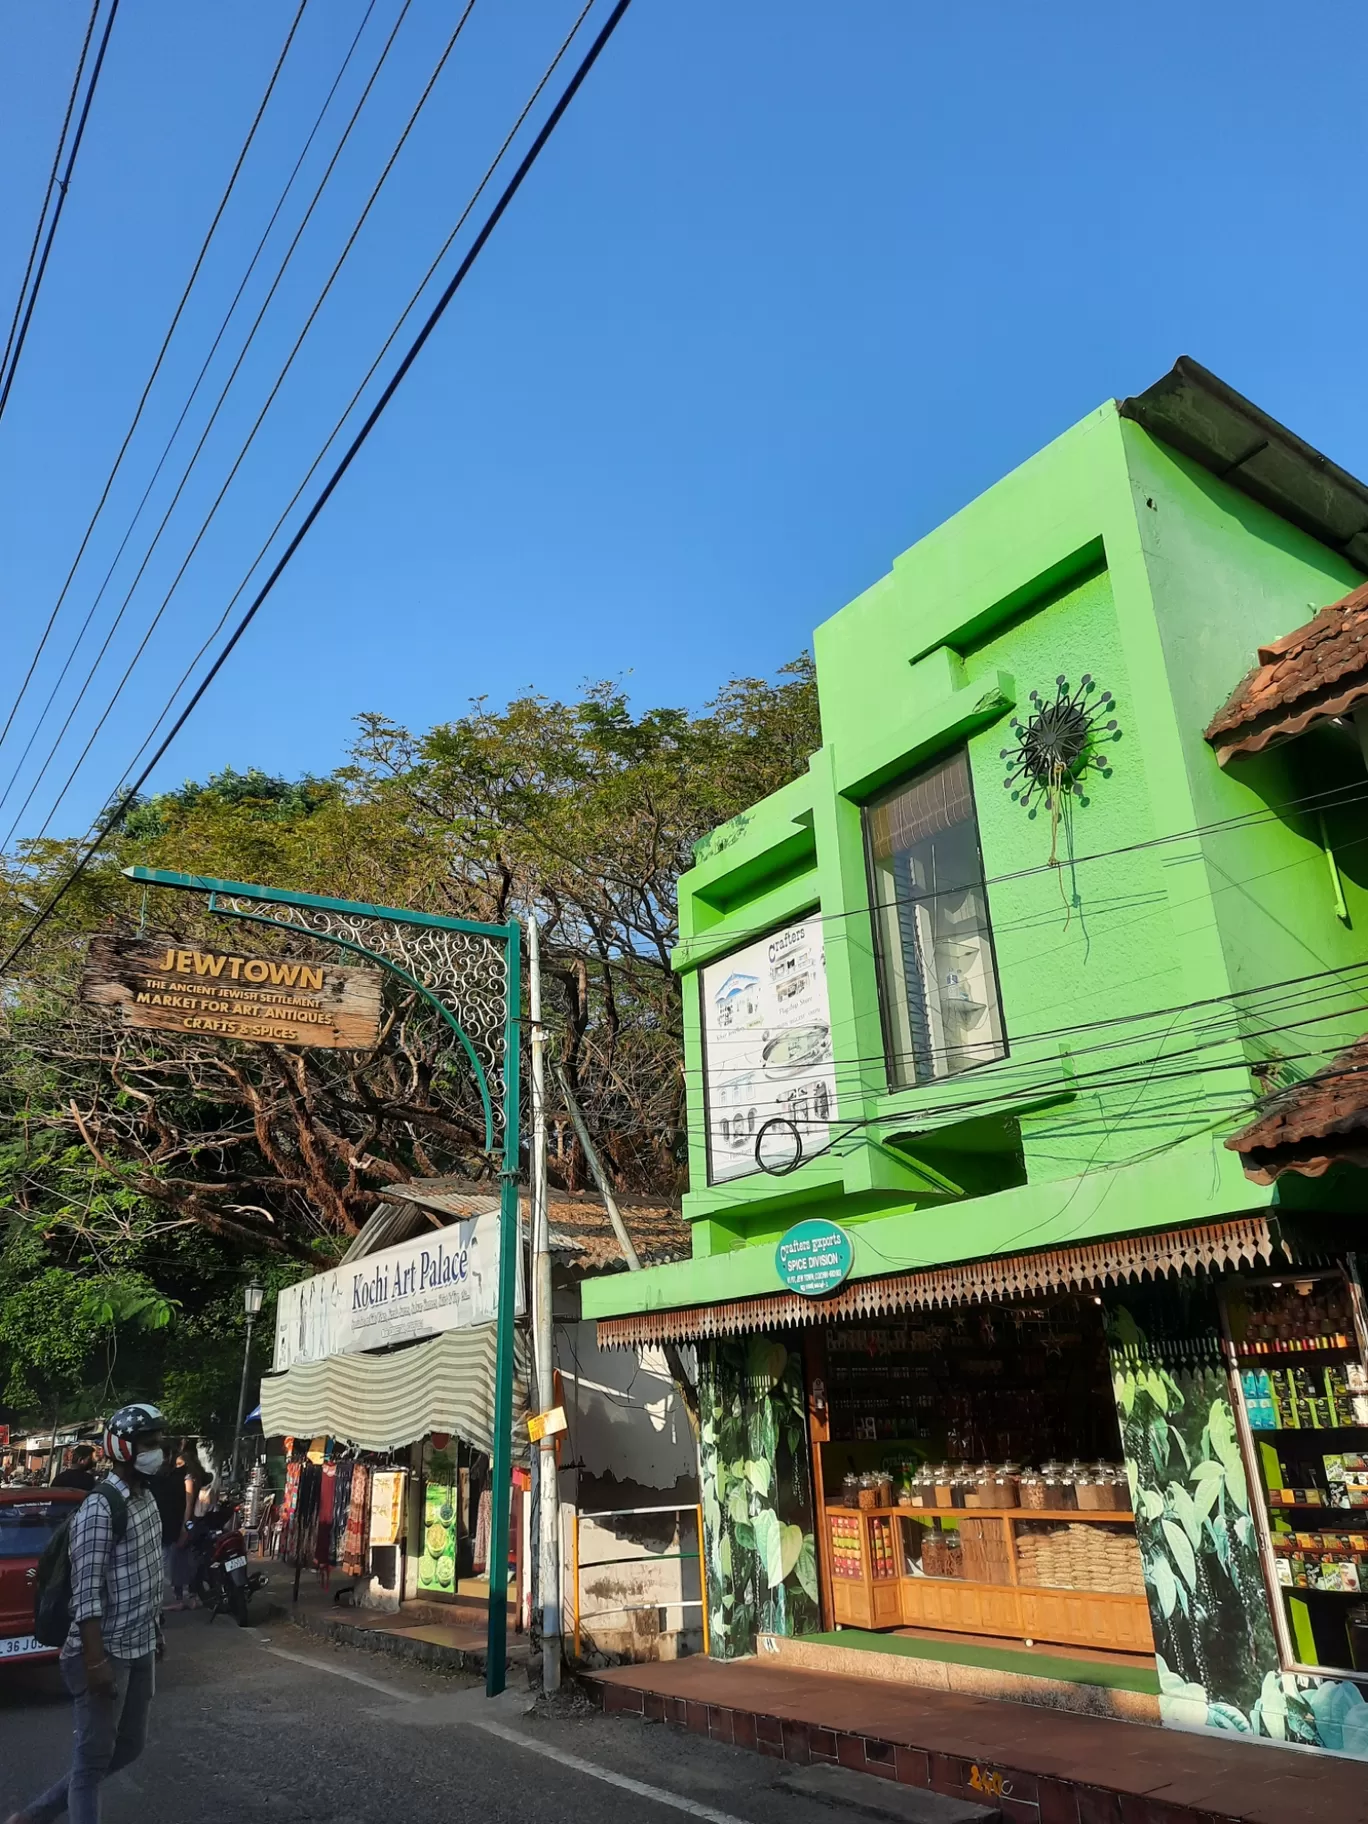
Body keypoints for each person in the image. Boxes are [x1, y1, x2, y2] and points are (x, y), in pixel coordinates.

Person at [6, 1403, 168, 1824]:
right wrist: (95, 1663)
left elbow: (148, 1576)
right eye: (149, 1444)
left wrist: (156, 1632)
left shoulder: (146, 1500)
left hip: (140, 1646)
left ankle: (35, 1816)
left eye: (159, 1443)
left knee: (128, 1747)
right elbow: (87, 1594)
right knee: (93, 1761)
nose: (159, 1451)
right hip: (102, 1653)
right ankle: (38, 1815)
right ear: (123, 1448)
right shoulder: (100, 1508)